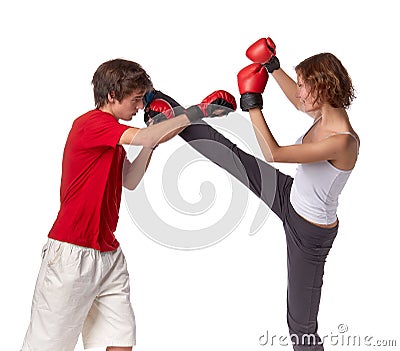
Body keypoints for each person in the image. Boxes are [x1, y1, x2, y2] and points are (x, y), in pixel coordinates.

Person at [145, 37, 359, 351]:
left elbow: (273, 153)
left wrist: (252, 102)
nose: (298, 93)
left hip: (309, 232)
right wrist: (273, 67)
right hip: (290, 195)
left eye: (303, 86)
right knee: (228, 155)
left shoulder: (343, 141)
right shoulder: (325, 114)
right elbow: (299, 101)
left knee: (300, 326)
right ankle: (161, 103)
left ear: (323, 88)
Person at [21, 58, 236, 351]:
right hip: (72, 253)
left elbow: (131, 179)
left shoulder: (114, 137)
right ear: (111, 96)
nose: (138, 107)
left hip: (107, 253)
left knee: (119, 341)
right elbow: (145, 135)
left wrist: (151, 142)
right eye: (135, 100)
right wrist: (199, 111)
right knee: (46, 347)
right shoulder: (92, 124)